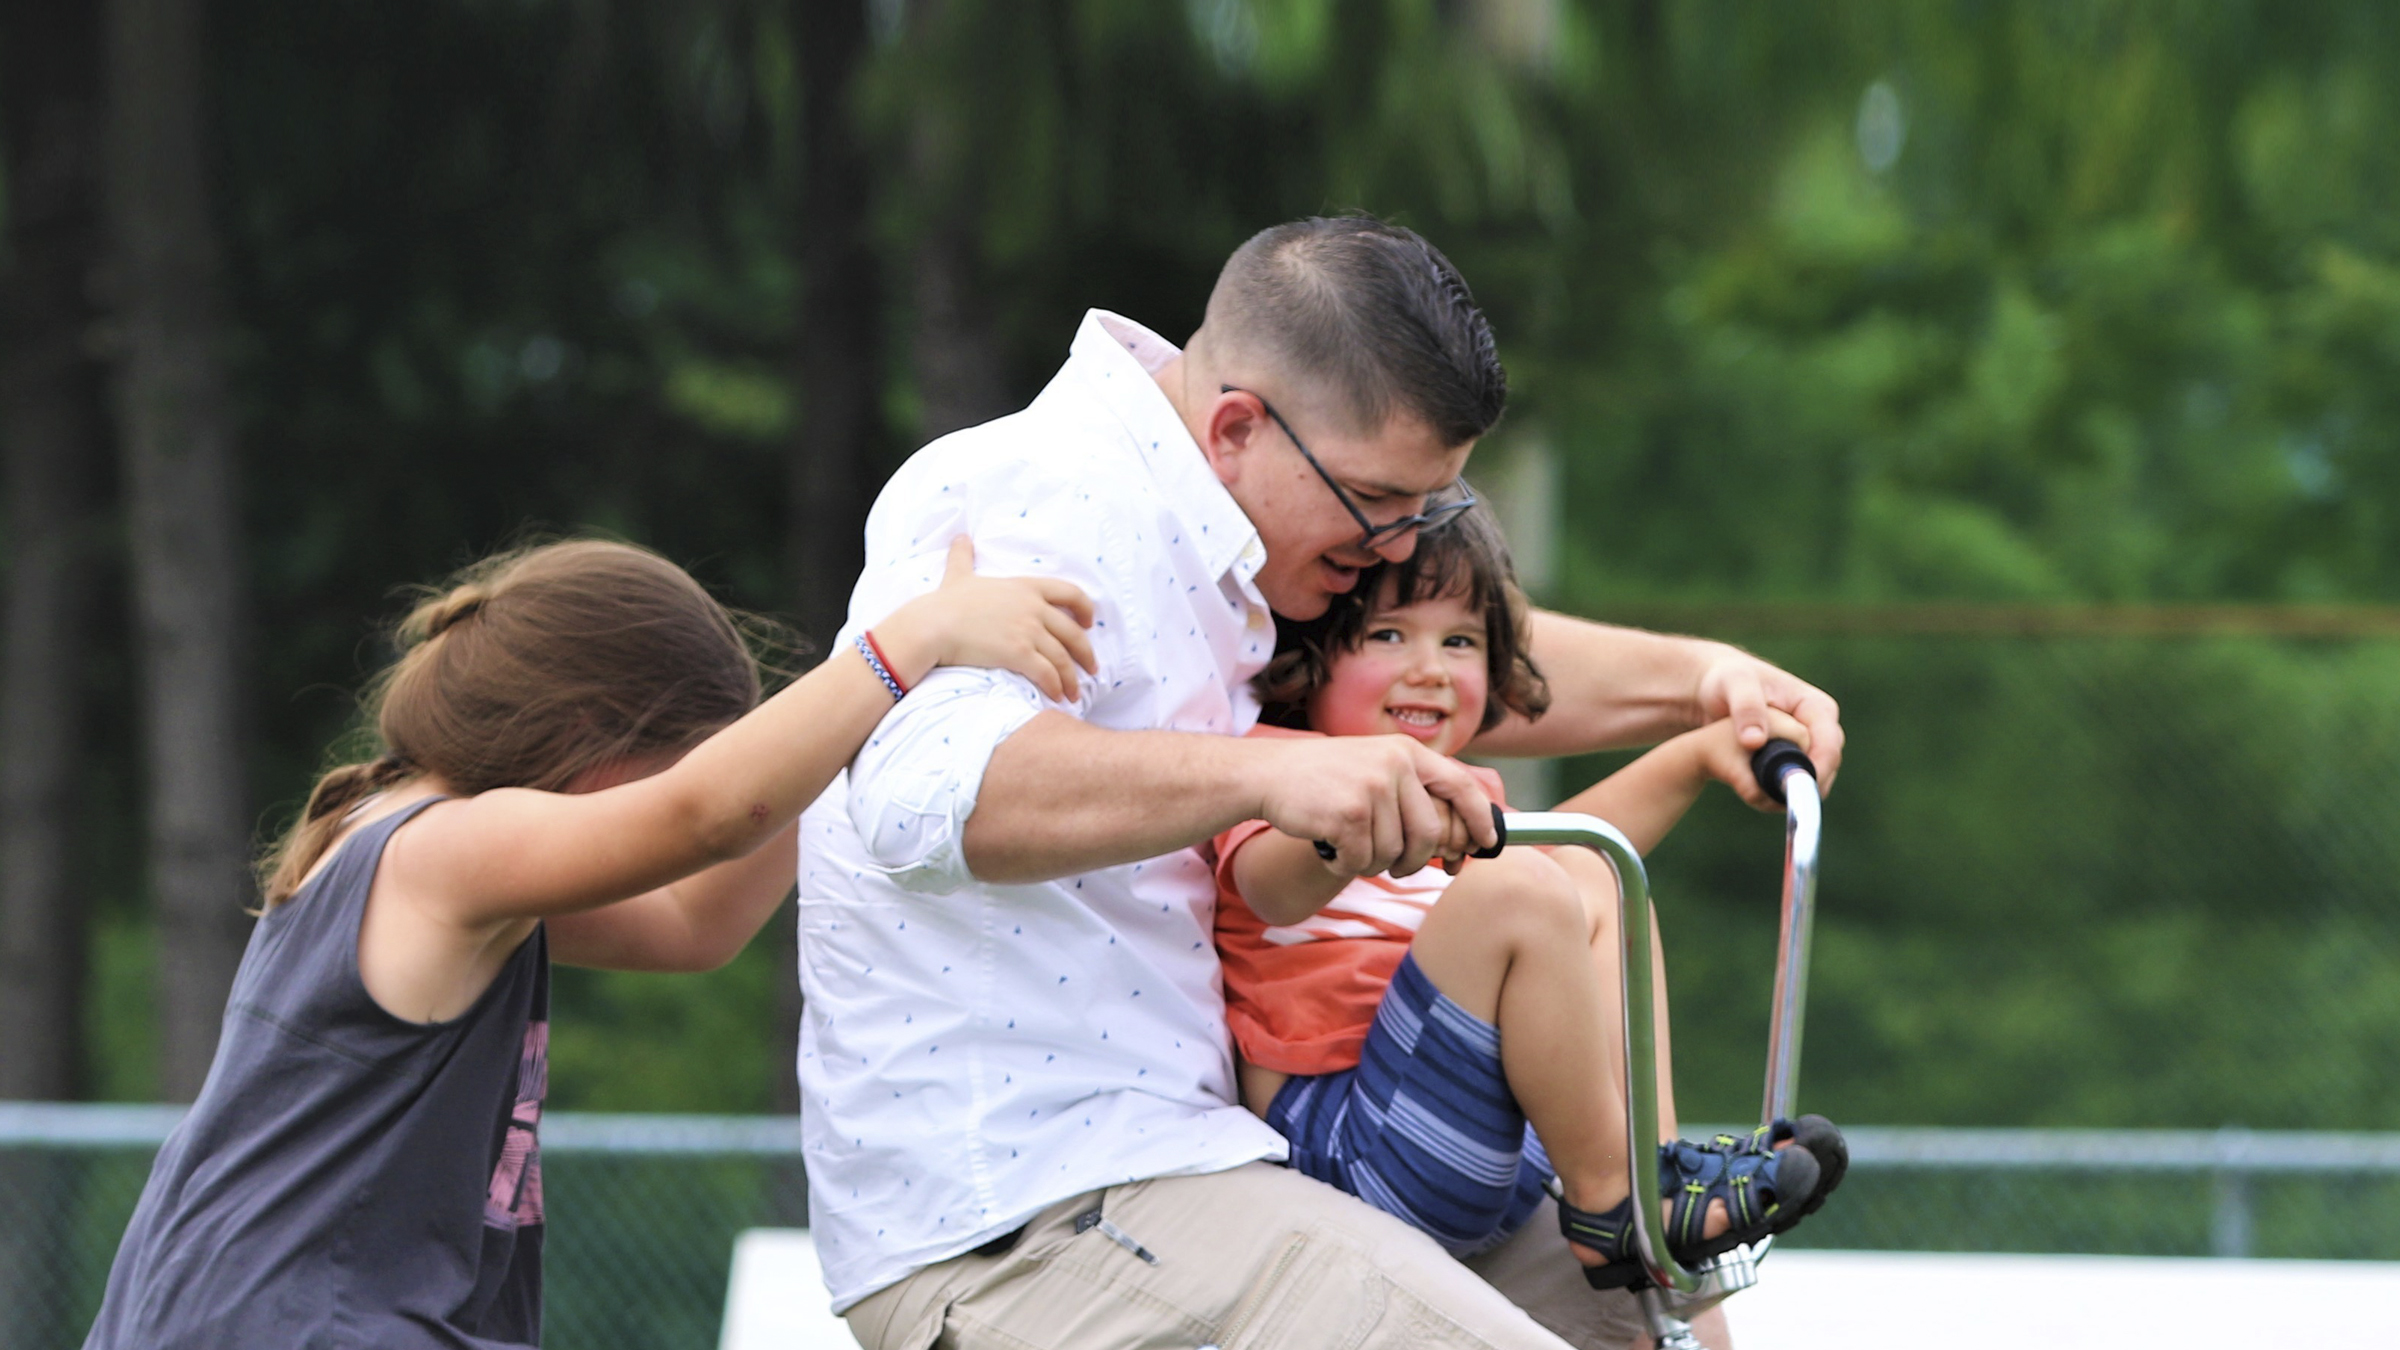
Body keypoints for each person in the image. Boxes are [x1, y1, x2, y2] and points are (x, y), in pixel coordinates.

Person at [804, 214, 1845, 1350]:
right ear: (1240, 426)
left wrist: (1708, 683)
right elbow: (921, 796)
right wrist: (1277, 775)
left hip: (1221, 1161)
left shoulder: (1240, 533)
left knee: (1664, 1324)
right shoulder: (1030, 497)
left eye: (1427, 509)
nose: (1399, 552)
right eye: (1377, 507)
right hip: (1037, 1210)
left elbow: (1453, 661)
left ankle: (1636, 1200)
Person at [84, 536, 1093, 1350]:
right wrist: (902, 646)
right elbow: (707, 816)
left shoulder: (421, 851)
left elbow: (699, 920)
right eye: (665, 762)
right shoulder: (445, 849)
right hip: (297, 1323)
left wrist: (871, 714)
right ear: (590, 732)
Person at [1215, 496, 1845, 1291]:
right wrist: (1346, 824)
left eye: (1460, 641)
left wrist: (1694, 757)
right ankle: (1617, 1200)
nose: (1430, 669)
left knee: (1598, 876)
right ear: (1308, 654)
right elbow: (1265, 891)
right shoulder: (1273, 767)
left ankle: (1652, 1173)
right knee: (1522, 884)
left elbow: (1569, 865)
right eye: (1386, 634)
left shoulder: (1464, 790)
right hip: (1349, 1148)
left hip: (1489, 1141)